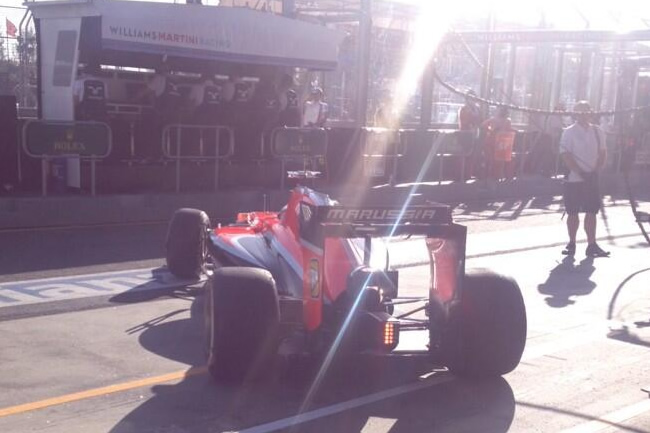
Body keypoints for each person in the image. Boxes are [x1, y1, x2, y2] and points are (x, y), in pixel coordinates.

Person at [559, 101, 609, 257]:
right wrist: (580, 172)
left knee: (591, 211)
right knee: (572, 212)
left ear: (590, 113)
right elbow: (565, 155)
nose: (583, 115)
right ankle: (572, 243)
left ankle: (591, 244)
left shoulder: (597, 131)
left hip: (592, 178)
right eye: (579, 112)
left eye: (586, 111)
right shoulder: (569, 132)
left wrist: (596, 170)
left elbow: (602, 153)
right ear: (575, 114)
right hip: (574, 179)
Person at [480, 106, 513, 182]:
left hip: (493, 143)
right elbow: (509, 130)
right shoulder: (507, 121)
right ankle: (496, 176)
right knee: (498, 161)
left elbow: (482, 125)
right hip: (499, 144)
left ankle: (490, 176)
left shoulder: (494, 119)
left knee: (492, 160)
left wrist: (490, 130)